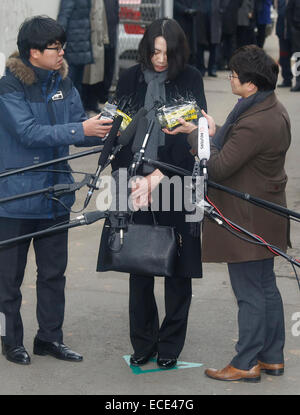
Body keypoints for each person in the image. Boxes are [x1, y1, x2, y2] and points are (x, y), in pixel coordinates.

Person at [0, 16, 112, 365]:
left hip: (55, 196)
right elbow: (29, 133)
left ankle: (50, 338)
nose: (62, 53)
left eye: (62, 46)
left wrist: (108, 126)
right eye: (55, 48)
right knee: (7, 282)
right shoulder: (9, 88)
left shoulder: (64, 81)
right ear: (34, 52)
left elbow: (79, 123)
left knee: (53, 275)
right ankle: (10, 340)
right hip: (15, 199)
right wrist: (81, 128)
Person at [186, 45, 290, 382]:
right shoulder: (269, 107)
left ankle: (246, 362)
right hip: (265, 212)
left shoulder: (256, 121)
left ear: (252, 85)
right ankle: (272, 357)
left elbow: (217, 166)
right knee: (265, 285)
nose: (230, 77)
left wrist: (195, 135)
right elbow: (235, 151)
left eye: (235, 75)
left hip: (247, 216)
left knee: (249, 291)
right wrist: (216, 133)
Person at [109, 18, 206, 370]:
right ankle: (143, 341)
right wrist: (130, 179)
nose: (160, 59)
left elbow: (191, 137)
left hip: (177, 179)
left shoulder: (190, 77)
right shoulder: (130, 77)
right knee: (139, 263)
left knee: (178, 266)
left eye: (167, 53)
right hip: (133, 181)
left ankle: (170, 344)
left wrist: (161, 176)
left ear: (178, 52)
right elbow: (120, 129)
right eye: (154, 52)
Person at [57, 0, 93, 98]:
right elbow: (64, 18)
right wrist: (58, 42)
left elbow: (64, 17)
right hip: (76, 44)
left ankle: (74, 110)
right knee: (72, 83)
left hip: (78, 44)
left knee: (74, 84)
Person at [276, 0, 293, 88]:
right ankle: (287, 79)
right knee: (284, 57)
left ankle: (298, 81)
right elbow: (280, 13)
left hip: (294, 32)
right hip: (282, 33)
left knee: (297, 56)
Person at [286, 0, 300, 91]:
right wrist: (293, 28)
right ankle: (298, 82)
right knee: (298, 56)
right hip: (297, 29)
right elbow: (289, 11)